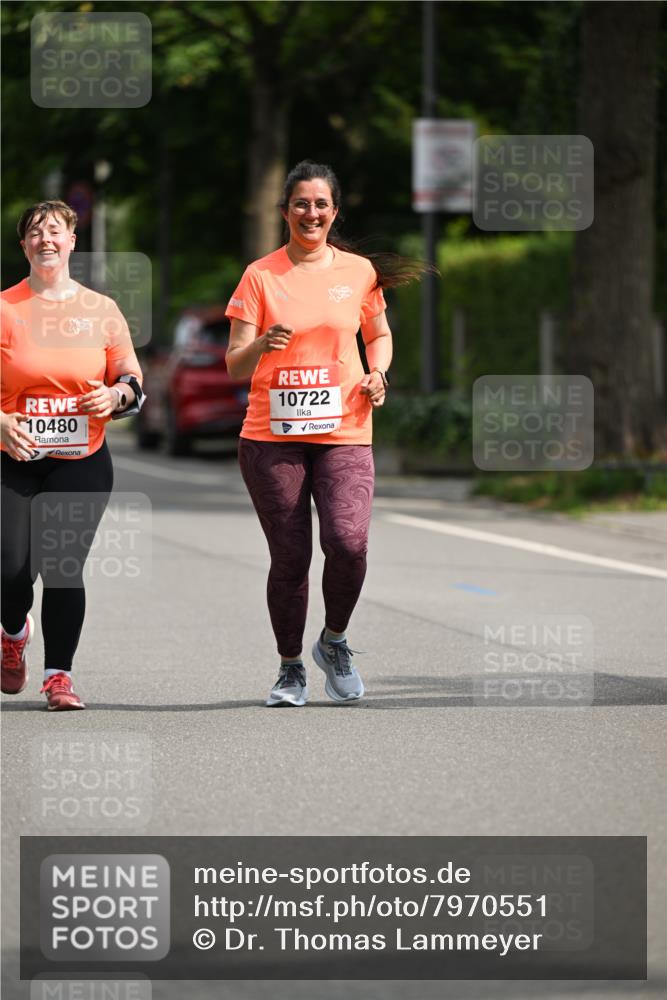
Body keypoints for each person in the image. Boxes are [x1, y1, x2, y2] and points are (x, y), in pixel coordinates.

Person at [226, 160, 427, 707]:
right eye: (300, 203)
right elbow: (234, 365)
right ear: (285, 210)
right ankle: (290, 667)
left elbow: (378, 334)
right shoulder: (260, 276)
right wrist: (261, 343)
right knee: (290, 559)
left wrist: (377, 372)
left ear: (334, 211)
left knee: (348, 542)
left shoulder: (358, 272)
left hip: (345, 428)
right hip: (273, 436)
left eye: (320, 204)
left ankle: (333, 640)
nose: (310, 212)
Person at [1, 199, 144, 710]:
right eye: (36, 232)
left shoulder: (100, 310)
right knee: (10, 571)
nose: (46, 239)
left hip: (82, 456)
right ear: (23, 245)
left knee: (62, 565)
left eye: (56, 231)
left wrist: (116, 395)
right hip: (11, 456)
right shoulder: (4, 307)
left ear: (71, 242)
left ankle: (59, 676)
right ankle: (13, 632)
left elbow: (129, 376)